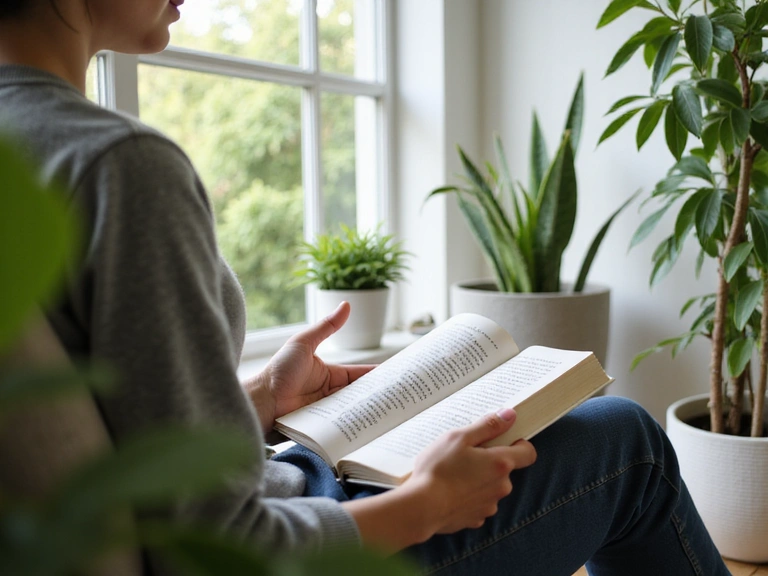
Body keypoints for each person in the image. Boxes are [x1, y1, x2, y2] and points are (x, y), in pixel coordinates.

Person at [0, 1, 731, 574]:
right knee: (625, 440)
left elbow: (126, 440)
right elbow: (213, 549)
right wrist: (425, 506)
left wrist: (256, 404)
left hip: (280, 488)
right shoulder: (117, 165)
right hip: (307, 544)